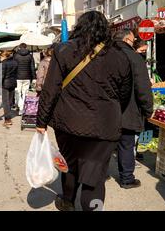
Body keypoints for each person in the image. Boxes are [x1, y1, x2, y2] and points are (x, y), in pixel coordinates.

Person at [36, 11, 133, 211]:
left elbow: (50, 89)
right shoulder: (120, 56)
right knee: (95, 177)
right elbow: (124, 93)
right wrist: (112, 114)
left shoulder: (63, 50)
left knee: (69, 167)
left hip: (69, 124)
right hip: (105, 127)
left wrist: (41, 122)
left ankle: (67, 202)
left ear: (80, 27)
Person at [113, 29, 153, 189]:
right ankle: (126, 178)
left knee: (106, 145)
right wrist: (148, 109)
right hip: (128, 110)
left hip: (105, 111)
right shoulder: (134, 58)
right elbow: (143, 87)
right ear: (127, 40)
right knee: (126, 144)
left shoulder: (104, 55)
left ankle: (100, 175)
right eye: (132, 39)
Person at [13, 43, 36, 115]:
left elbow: (14, 67)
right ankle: (23, 107)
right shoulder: (30, 56)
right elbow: (32, 68)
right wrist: (34, 77)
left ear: (19, 47)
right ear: (26, 47)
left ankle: (19, 107)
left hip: (17, 77)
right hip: (27, 77)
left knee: (18, 92)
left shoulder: (15, 56)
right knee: (25, 93)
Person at [1, 50, 18, 128]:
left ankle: (8, 119)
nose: (0, 58)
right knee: (10, 101)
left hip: (5, 84)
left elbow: (2, 75)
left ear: (4, 56)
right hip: (13, 83)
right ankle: (8, 115)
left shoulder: (4, 63)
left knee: (5, 102)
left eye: (1, 56)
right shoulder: (15, 62)